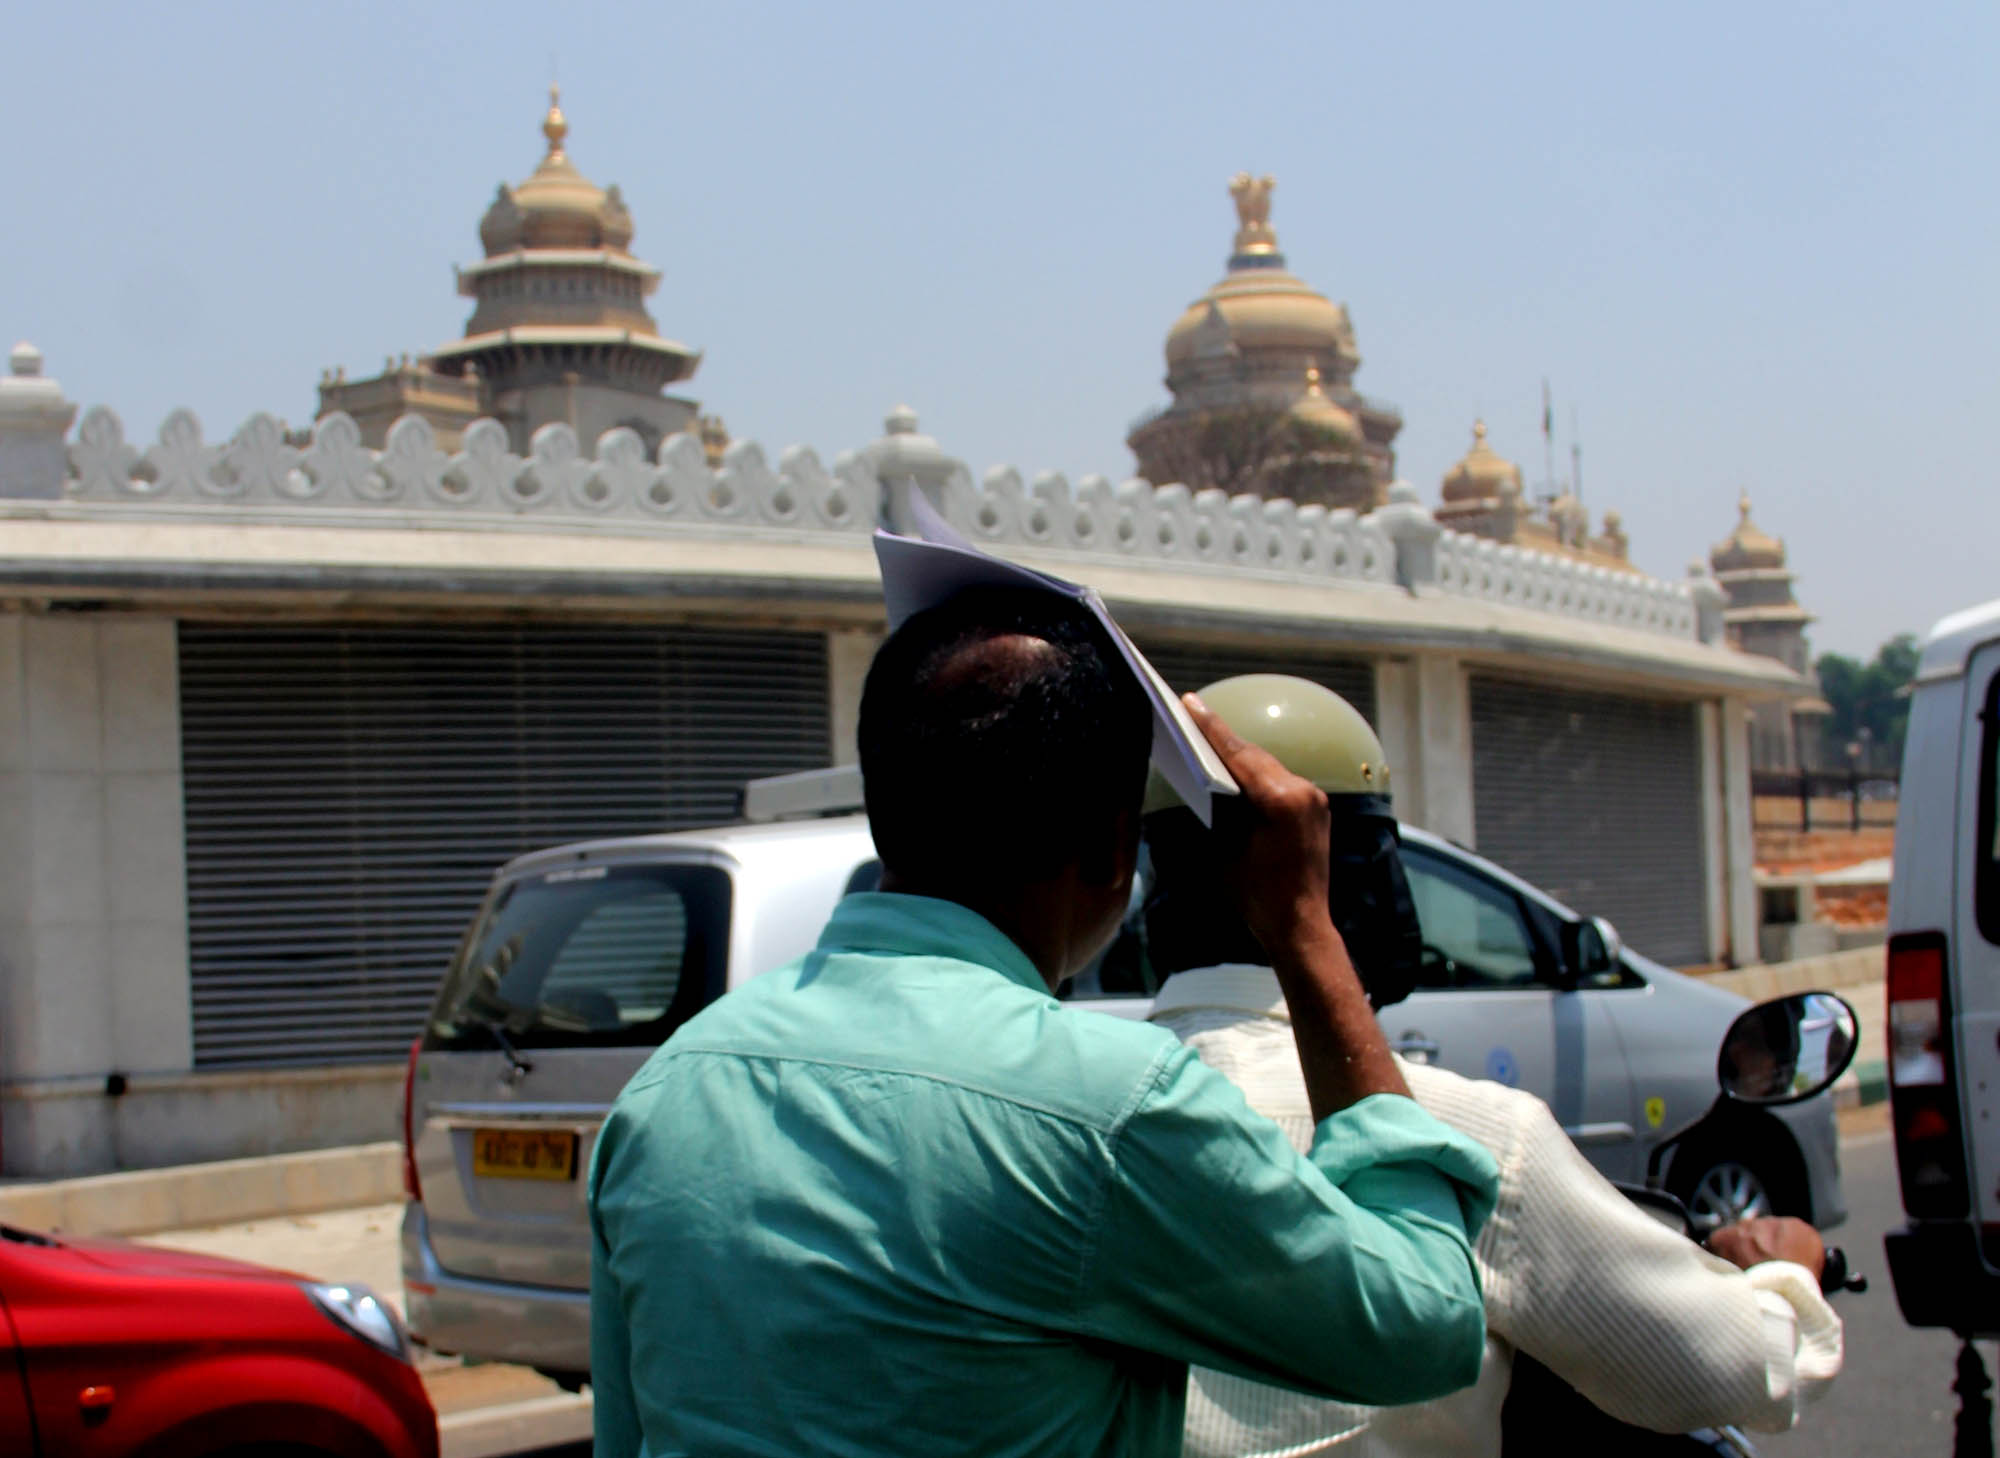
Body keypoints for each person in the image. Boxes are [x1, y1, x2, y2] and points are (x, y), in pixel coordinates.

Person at [587, 586, 1499, 1458]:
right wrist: (1305, 925)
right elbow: (1425, 1325)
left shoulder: (665, 1092)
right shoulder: (1108, 1109)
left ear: (883, 810)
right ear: (1111, 845)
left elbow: (628, 1437)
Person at [1142, 674, 1844, 1458]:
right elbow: (1734, 1369)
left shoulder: (1073, 1113)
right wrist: (1788, 1278)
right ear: (1360, 880)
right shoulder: (1468, 1141)